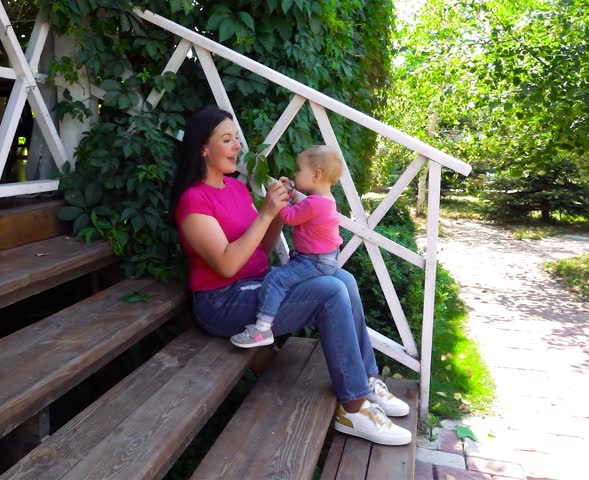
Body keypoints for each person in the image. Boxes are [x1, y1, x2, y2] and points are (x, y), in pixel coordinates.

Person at [169, 107, 411, 445]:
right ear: (203, 149)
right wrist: (266, 212)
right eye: (227, 139)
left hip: (256, 285)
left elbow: (260, 251)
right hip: (222, 301)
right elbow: (226, 265)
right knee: (329, 290)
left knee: (345, 281)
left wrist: (278, 216)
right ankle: (354, 409)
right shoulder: (193, 201)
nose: (237, 145)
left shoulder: (237, 190)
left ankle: (367, 380)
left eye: (236, 138)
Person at [230, 145, 344, 348]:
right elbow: (301, 209)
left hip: (313, 261)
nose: (295, 174)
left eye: (299, 170)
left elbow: (290, 217)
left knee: (275, 280)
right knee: (283, 279)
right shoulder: (324, 200)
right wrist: (290, 192)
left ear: (316, 175)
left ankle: (262, 329)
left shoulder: (313, 204)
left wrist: (276, 202)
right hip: (326, 259)